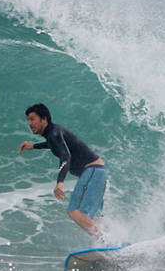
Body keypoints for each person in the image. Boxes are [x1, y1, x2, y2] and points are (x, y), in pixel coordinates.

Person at [19, 103, 106, 240]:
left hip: (93, 171)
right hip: (97, 172)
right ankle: (117, 242)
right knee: (93, 218)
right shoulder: (53, 133)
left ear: (44, 119)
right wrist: (34, 146)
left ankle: (106, 242)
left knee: (75, 212)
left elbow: (66, 156)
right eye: (28, 120)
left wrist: (60, 183)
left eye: (32, 119)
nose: (29, 123)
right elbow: (54, 145)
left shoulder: (53, 134)